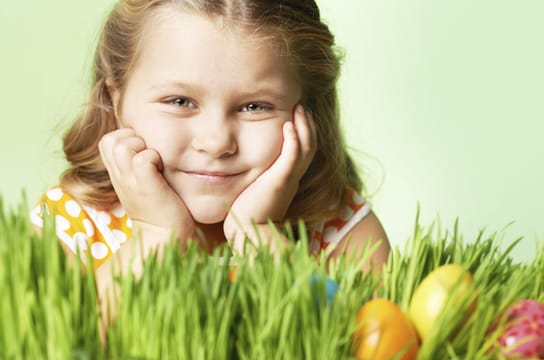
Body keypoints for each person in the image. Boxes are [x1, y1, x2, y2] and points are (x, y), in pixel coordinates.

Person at [30, 0, 390, 319]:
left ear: (306, 112)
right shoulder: (67, 225)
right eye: (180, 101)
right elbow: (68, 344)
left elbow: (354, 344)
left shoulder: (342, 230)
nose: (216, 142)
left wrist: (257, 234)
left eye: (254, 106)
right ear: (116, 100)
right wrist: (156, 234)